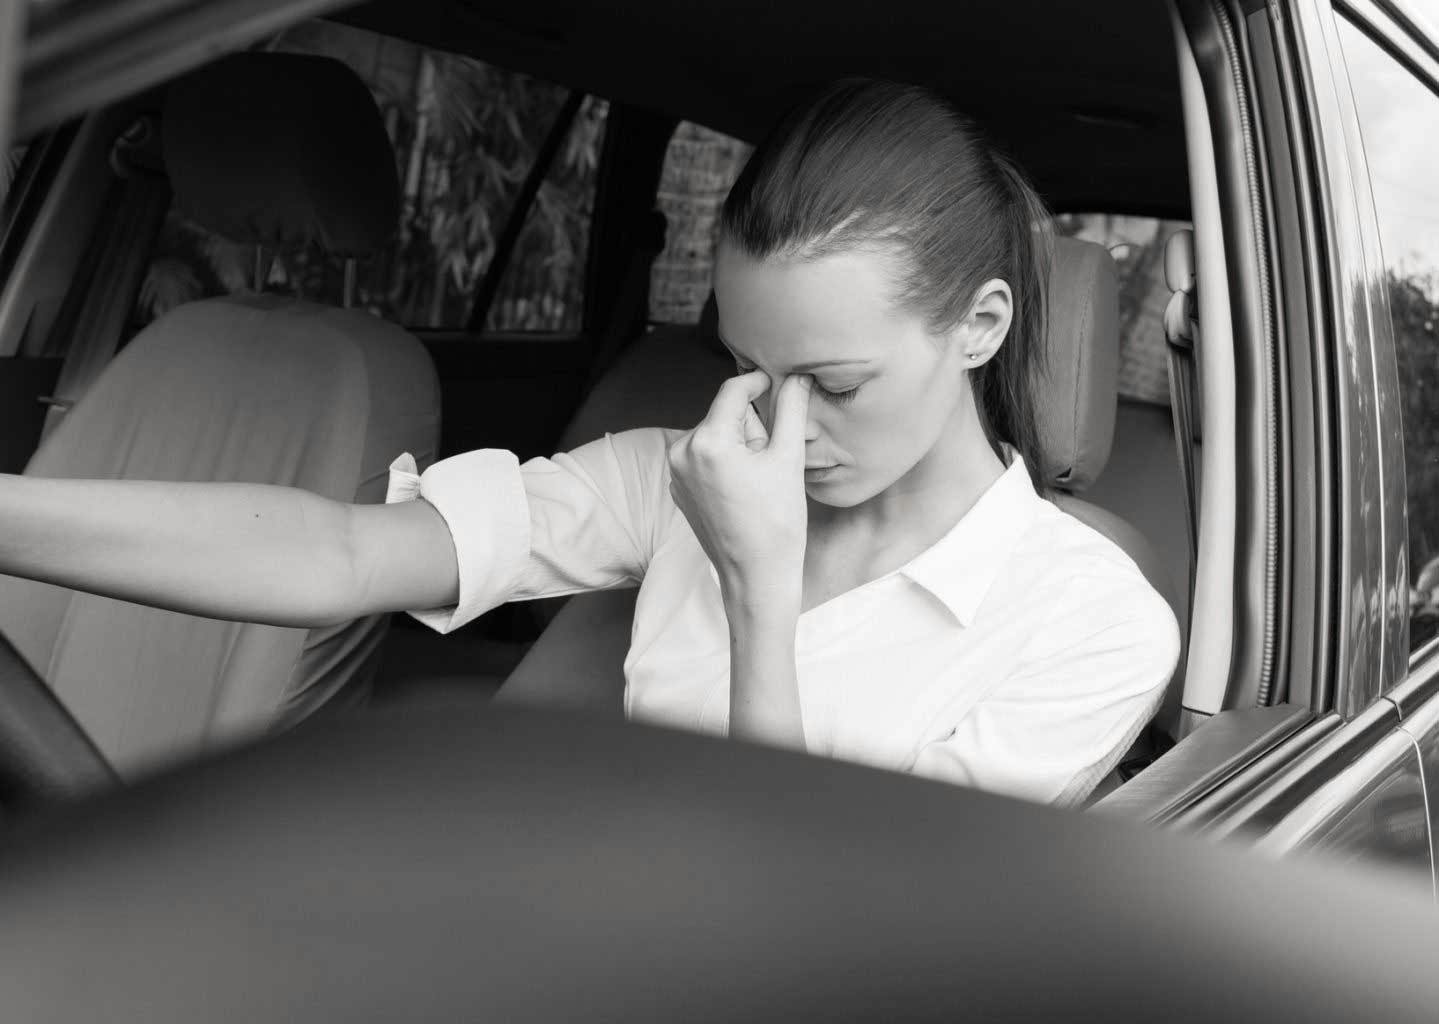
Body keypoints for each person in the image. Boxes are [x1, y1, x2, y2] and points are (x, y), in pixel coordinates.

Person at [0, 79, 1178, 807]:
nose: (781, 428)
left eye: (836, 383)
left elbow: (818, 911)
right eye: (752, 373)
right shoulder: (681, 478)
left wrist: (758, 594)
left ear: (977, 326)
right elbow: (340, 555)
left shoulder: (1091, 623)